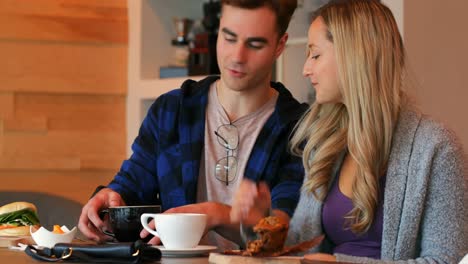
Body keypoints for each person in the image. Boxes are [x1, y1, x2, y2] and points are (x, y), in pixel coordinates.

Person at [231, 0, 467, 262]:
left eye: (316, 54)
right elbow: (300, 250)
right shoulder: (324, 145)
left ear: (355, 56)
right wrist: (264, 225)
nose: (305, 69)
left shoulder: (436, 149)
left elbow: (447, 260)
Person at [78, 0, 307, 250]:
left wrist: (217, 213)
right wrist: (111, 196)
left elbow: (286, 232)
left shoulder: (299, 129)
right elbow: (133, 182)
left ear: (279, 46)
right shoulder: (172, 110)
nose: (237, 57)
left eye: (254, 44)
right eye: (229, 38)